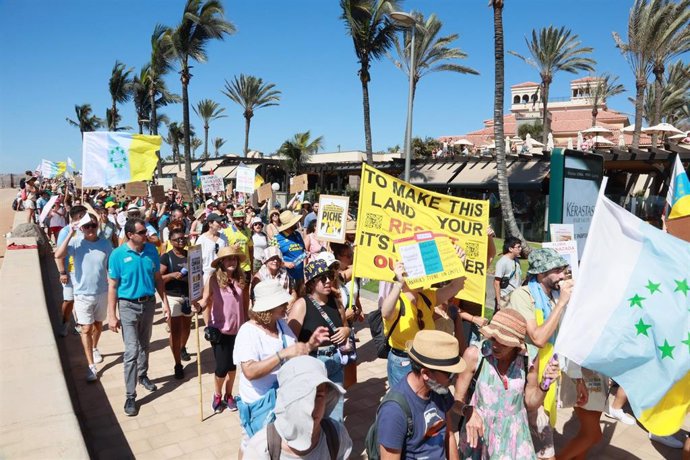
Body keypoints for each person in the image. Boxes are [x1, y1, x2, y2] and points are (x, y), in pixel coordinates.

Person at [233, 280, 329, 453]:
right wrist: (282, 354)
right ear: (269, 307)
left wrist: (310, 345)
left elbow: (295, 352)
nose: (287, 305)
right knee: (252, 445)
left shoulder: (281, 325)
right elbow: (250, 371)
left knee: (275, 445)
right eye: (281, 303)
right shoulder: (248, 332)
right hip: (259, 405)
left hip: (281, 399)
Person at [455, 310, 561, 459]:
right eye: (493, 338)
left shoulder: (529, 356)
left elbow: (531, 403)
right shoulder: (475, 355)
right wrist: (468, 411)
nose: (496, 345)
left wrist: (544, 384)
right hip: (480, 434)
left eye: (503, 342)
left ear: (517, 344)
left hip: (515, 436)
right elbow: (456, 400)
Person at [509, 248, 579, 460]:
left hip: (550, 376)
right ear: (540, 273)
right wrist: (561, 304)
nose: (562, 275)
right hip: (529, 378)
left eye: (563, 269)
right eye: (556, 270)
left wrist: (577, 380)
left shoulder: (555, 296)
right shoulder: (523, 296)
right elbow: (538, 338)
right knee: (546, 451)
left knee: (533, 441)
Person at [107, 218, 171, 417]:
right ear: (130, 235)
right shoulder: (117, 255)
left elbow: (158, 279)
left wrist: (165, 303)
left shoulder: (151, 251)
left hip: (149, 303)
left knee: (145, 344)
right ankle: (130, 395)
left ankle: (142, 375)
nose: (146, 235)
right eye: (142, 232)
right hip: (127, 305)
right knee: (131, 351)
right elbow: (113, 286)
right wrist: (112, 315)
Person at [380, 247, 467, 388]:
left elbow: (455, 286)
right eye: (414, 273)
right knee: (406, 402)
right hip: (403, 361)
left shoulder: (427, 297)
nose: (420, 277)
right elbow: (386, 312)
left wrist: (459, 263)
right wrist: (398, 283)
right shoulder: (397, 301)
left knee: (424, 398)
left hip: (426, 359)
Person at [376, 330, 464, 459]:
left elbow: (449, 434)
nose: (454, 378)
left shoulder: (440, 391)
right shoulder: (394, 411)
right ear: (426, 374)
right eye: (450, 375)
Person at [244, 356, 352, 459]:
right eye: (303, 396)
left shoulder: (337, 435)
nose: (311, 406)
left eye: (318, 396)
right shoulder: (261, 448)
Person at [288, 259, 350, 422]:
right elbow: (289, 341)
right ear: (311, 283)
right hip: (313, 362)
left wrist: (347, 330)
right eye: (322, 278)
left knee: (336, 413)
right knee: (312, 414)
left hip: (335, 361)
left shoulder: (336, 302)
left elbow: (345, 325)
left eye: (329, 276)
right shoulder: (302, 305)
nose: (328, 281)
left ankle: (335, 444)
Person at [54, 213, 113, 382]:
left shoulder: (105, 244)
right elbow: (58, 255)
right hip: (81, 293)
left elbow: (110, 264)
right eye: (86, 226)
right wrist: (71, 234)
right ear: (81, 228)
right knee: (86, 328)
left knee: (98, 324)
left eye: (93, 226)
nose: (90, 229)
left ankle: (94, 347)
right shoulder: (75, 243)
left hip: (101, 291)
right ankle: (91, 366)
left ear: (97, 226)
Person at [198, 245, 247, 413]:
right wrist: (197, 307)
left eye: (234, 258)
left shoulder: (242, 278)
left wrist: (247, 323)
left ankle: (229, 395)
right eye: (228, 258)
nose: (232, 261)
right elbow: (205, 300)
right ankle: (217, 394)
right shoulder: (213, 279)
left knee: (233, 366)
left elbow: (245, 303)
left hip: (238, 330)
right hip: (219, 330)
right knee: (222, 366)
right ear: (221, 262)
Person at [160, 228, 193, 379]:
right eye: (177, 239)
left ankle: (182, 347)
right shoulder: (166, 257)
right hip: (172, 297)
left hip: (188, 296)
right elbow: (158, 279)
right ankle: (177, 364)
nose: (181, 241)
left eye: (183, 238)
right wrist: (172, 275)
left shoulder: (191, 255)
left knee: (186, 328)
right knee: (175, 331)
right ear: (171, 242)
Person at [56, 205, 88, 337]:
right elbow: (59, 254)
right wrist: (62, 272)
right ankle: (65, 324)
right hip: (70, 272)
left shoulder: (86, 229)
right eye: (84, 215)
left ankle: (80, 324)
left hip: (84, 272)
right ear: (78, 217)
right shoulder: (65, 231)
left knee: (82, 300)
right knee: (69, 300)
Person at [272, 210, 307, 294]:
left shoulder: (298, 235)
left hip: (300, 276)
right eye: (295, 222)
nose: (297, 223)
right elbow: (271, 259)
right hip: (286, 276)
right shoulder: (276, 239)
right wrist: (284, 264)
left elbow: (304, 251)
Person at [195, 213, 228, 282]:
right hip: (207, 276)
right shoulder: (201, 239)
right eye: (218, 222)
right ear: (210, 224)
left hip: (222, 274)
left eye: (221, 221)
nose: (220, 223)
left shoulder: (224, 237)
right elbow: (196, 259)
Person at [493, 236, 522, 312]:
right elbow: (496, 283)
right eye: (518, 247)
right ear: (510, 249)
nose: (520, 249)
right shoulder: (502, 262)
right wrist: (499, 302)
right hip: (504, 298)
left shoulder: (516, 260)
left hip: (515, 298)